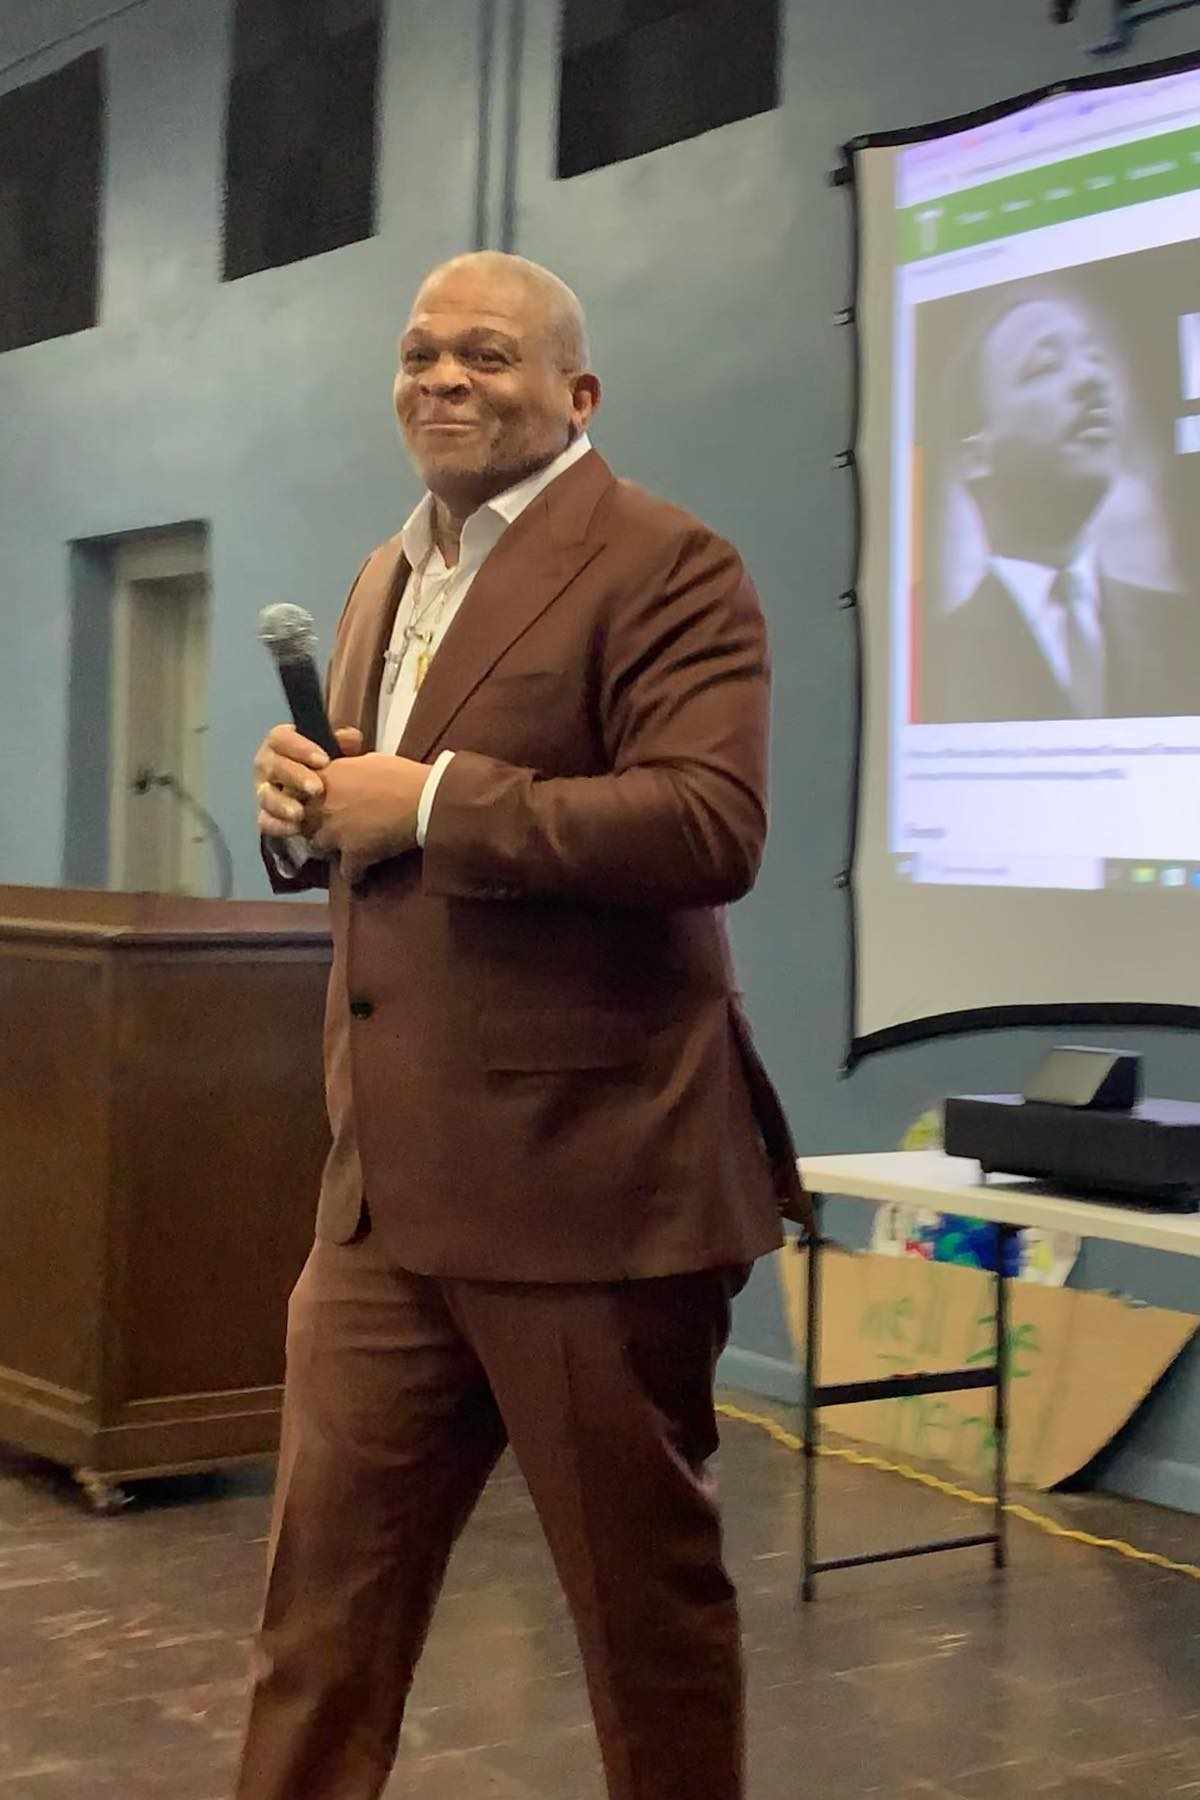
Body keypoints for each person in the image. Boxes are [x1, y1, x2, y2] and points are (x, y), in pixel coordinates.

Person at [240, 250, 807, 1800]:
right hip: (381, 1205)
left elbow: (710, 823)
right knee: (317, 1633)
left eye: (486, 355)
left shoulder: (667, 562)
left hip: (589, 1192)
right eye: (420, 353)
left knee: (642, 1633)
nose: (442, 378)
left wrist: (428, 801)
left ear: (577, 391)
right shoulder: (386, 573)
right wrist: (304, 814)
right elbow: (373, 838)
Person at [918, 292, 1183, 723]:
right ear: (975, 456)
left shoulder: (1183, 629)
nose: (1091, 377)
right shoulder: (935, 664)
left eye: (1095, 357)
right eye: (1044, 366)